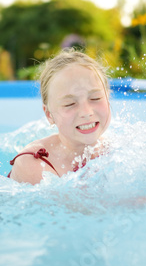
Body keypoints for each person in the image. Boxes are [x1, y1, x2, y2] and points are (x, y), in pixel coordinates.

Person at [7, 49, 112, 184]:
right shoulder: (34, 165)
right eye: (70, 104)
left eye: (95, 98)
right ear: (49, 115)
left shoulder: (117, 150)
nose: (86, 112)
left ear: (108, 98)